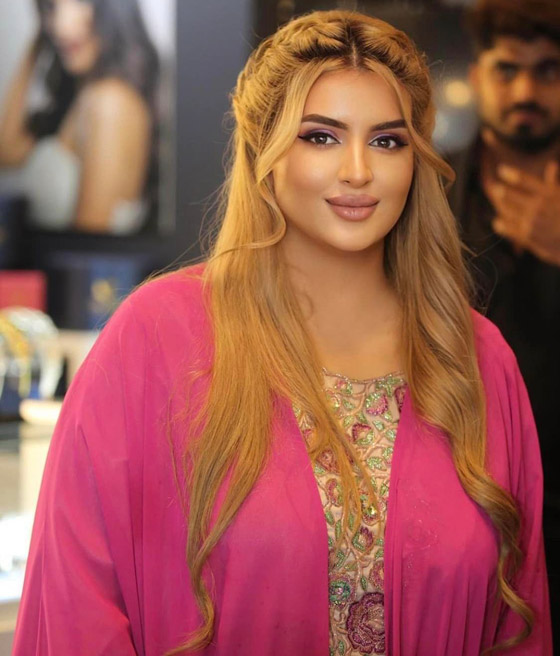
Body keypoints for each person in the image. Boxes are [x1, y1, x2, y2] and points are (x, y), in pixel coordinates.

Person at [12, 9, 552, 655]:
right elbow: (76, 608)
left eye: (388, 141)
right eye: (321, 137)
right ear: (263, 150)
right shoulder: (155, 339)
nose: (359, 171)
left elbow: (521, 620)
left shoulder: (476, 358)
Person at [446, 0, 560, 642]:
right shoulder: (428, 193)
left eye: (547, 71)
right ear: (478, 75)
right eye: (507, 69)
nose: (525, 92)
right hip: (465, 498)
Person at [0, 0, 158, 234]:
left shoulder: (110, 101)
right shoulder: (81, 96)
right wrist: (39, 42)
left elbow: (89, 240)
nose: (61, 25)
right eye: (51, 7)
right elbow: (6, 153)